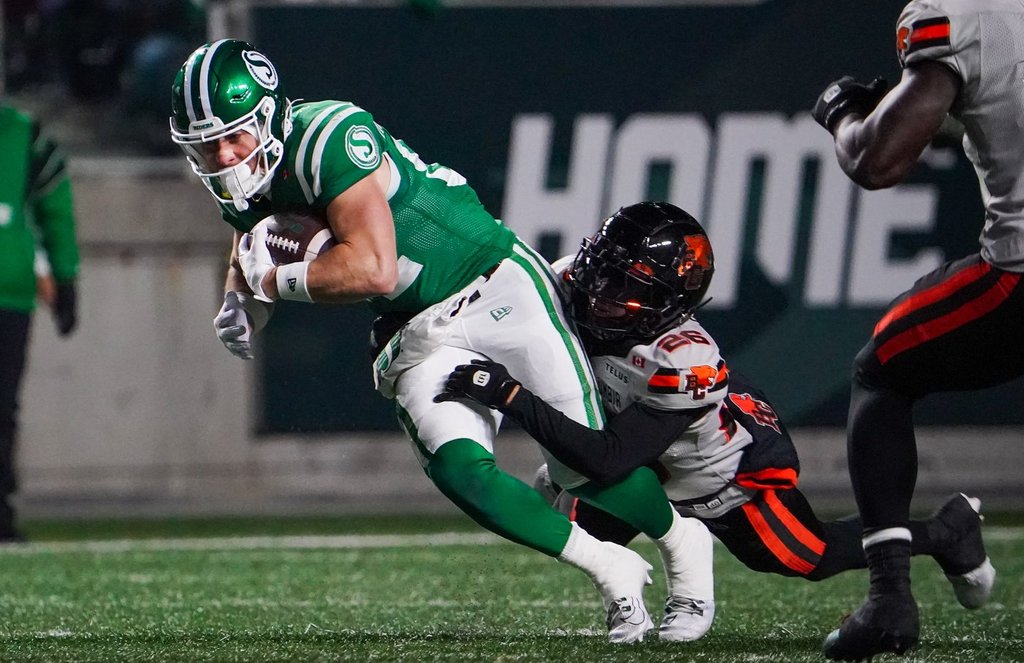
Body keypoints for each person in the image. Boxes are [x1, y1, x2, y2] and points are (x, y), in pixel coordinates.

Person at [169, 39, 713, 643]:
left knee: (580, 461)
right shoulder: (244, 176)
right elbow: (250, 239)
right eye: (204, 147)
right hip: (418, 325)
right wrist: (238, 298)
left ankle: (684, 546)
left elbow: (371, 267)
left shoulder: (328, 137)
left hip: (493, 282)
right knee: (463, 471)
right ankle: (612, 570)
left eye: (234, 138)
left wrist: (270, 283)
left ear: (269, 115)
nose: (223, 159)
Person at [437, 201, 991, 638]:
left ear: (669, 301)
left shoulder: (680, 360)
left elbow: (609, 458)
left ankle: (945, 532)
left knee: (803, 555)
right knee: (574, 524)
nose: (598, 291)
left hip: (721, 473)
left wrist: (511, 395)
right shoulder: (569, 287)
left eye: (623, 285)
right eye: (599, 269)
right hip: (641, 459)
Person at [809, 1, 1020, 658]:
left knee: (881, 370)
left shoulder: (958, 13)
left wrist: (845, 114)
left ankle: (889, 599)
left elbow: (878, 162)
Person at [0, 102, 80, 542]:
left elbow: (55, 204)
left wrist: (65, 279)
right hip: (10, 286)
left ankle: (0, 512)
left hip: (8, 292)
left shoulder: (22, 134)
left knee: (1, 410)